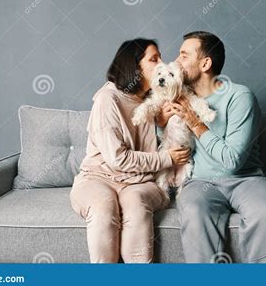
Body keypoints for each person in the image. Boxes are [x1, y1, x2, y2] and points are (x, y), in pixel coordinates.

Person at [157, 31, 266, 263]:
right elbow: (172, 143)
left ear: (205, 63)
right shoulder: (177, 97)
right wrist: (162, 124)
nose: (176, 61)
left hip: (246, 180)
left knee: (265, 213)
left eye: (184, 56)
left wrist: (195, 123)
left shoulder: (240, 97)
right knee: (194, 212)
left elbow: (233, 160)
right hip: (200, 182)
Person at [70, 38, 191, 263]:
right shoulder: (108, 99)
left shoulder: (153, 99)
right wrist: (167, 158)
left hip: (141, 182)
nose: (162, 63)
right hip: (98, 178)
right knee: (104, 208)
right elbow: (118, 159)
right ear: (135, 67)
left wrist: (162, 123)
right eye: (154, 59)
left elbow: (168, 135)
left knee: (135, 203)